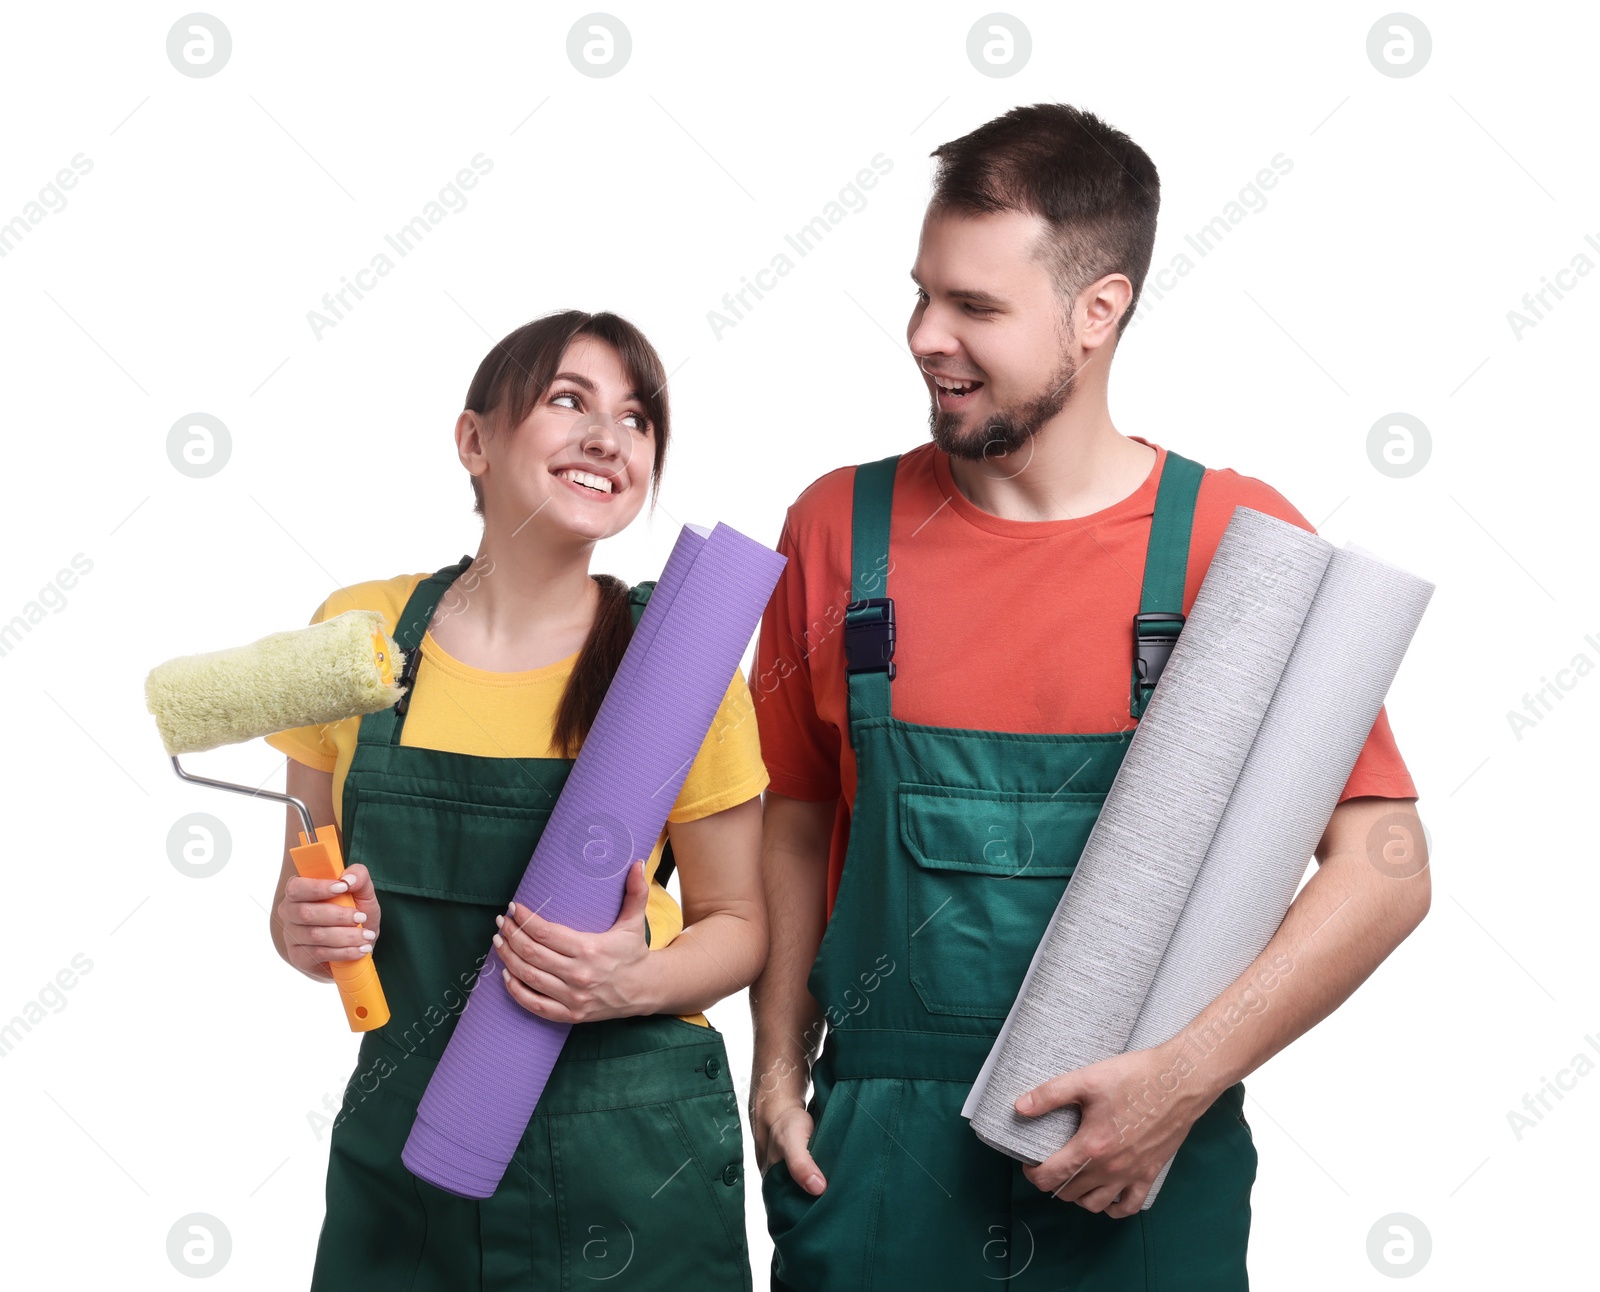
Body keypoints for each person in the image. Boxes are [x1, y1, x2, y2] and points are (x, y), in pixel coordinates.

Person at [748, 104, 1430, 1289]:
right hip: (876, 1161)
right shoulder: (833, 532)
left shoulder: (1233, 544)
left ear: (1097, 310)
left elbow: (1385, 867)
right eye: (921, 293)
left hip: (1142, 1162)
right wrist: (771, 1062)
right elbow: (793, 817)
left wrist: (1181, 1077)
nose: (924, 335)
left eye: (976, 308)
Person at [265, 310, 768, 1289]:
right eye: (567, 400)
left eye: (636, 417)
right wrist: (304, 928)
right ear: (474, 440)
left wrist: (625, 981)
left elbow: (740, 922)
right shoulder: (355, 631)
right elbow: (302, 909)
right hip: (405, 1140)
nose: (606, 436)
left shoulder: (678, 654)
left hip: (626, 1150)